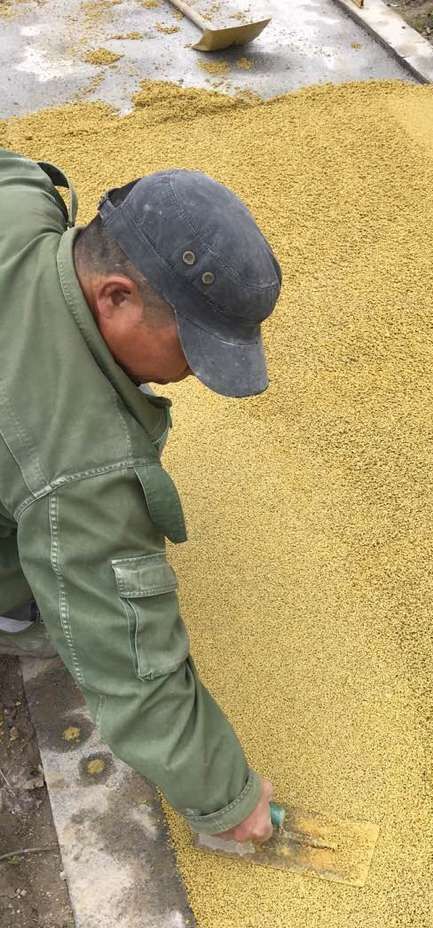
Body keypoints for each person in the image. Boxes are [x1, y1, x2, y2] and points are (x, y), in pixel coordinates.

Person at [0, 151, 281, 844]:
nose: (194, 371)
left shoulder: (18, 198)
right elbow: (125, 655)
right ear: (117, 296)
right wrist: (227, 799)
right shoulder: (82, 462)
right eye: (193, 343)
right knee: (55, 576)